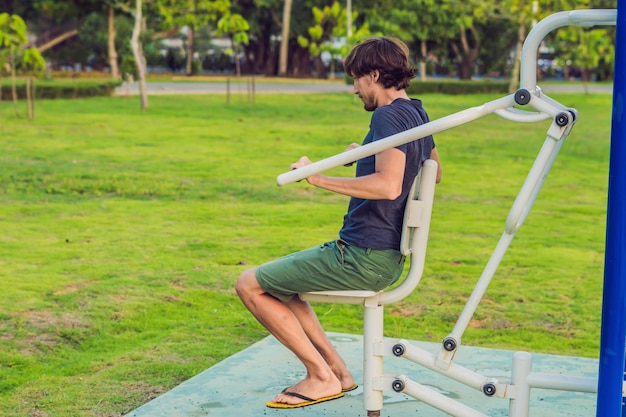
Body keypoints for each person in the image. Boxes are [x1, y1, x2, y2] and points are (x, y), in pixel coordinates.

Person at [235, 36, 442, 409]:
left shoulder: (388, 115)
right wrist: (364, 154)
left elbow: (389, 184)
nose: (354, 89)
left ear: (374, 74)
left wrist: (316, 178)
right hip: (385, 256)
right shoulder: (415, 111)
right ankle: (338, 373)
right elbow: (433, 170)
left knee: (249, 285)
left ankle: (320, 376)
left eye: (356, 79)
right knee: (282, 287)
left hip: (363, 256)